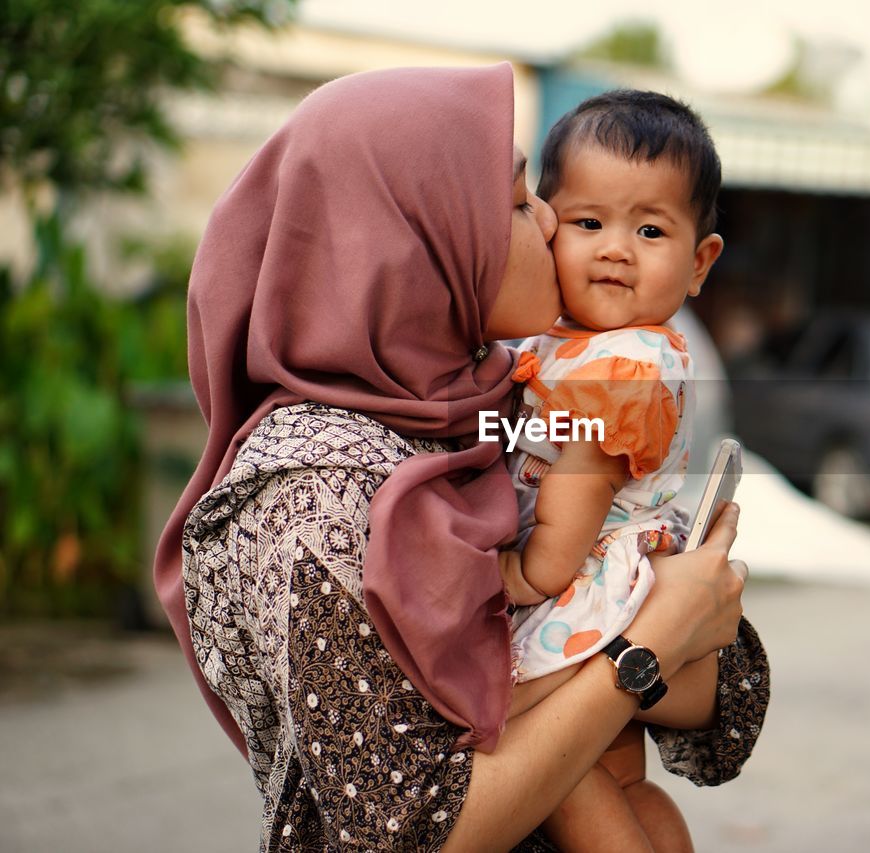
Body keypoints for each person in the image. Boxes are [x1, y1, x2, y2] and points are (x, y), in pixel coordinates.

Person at [152, 64, 769, 851]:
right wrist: (638, 655)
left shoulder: (495, 397)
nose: (552, 224)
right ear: (411, 243)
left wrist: (679, 630)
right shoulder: (306, 499)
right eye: (518, 202)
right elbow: (411, 831)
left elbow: (728, 685)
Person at [494, 91, 726, 851]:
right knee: (623, 774)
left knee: (553, 761)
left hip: (578, 581)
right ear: (547, 224)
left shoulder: (625, 358)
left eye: (650, 229)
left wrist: (527, 573)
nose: (616, 248)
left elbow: (581, 481)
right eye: (589, 223)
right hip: (617, 584)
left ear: (699, 262)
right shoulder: (562, 341)